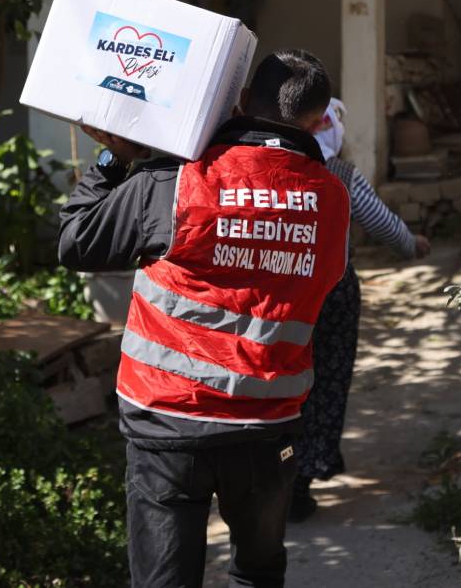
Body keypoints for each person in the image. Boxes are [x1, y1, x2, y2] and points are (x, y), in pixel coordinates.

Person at [58, 49, 351, 588]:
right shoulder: (333, 199)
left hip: (168, 417)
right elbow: (326, 282)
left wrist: (115, 161)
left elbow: (77, 241)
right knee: (258, 574)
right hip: (267, 423)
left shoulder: (176, 183)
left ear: (240, 102)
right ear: (317, 121)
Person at [288, 98, 432, 522]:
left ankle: (266, 474)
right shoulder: (340, 175)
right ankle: (300, 479)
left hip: (277, 289)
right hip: (331, 295)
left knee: (278, 383)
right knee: (323, 382)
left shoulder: (274, 168)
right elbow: (381, 221)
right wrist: (411, 244)